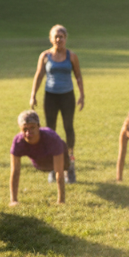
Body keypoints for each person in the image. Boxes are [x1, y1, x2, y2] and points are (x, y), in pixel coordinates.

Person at [29, 24, 85, 182]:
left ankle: (70, 163)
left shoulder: (71, 56)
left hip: (67, 96)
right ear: (51, 38)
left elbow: (78, 76)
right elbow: (39, 76)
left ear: (66, 38)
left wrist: (82, 95)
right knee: (50, 130)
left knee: (68, 128)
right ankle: (53, 165)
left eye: (62, 36)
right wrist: (33, 95)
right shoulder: (45, 56)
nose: (59, 39)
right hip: (51, 96)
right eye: (56, 36)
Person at [10, 110, 66, 205]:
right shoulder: (18, 142)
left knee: (62, 168)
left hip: (58, 156)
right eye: (25, 129)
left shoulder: (52, 138)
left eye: (32, 128)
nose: (28, 133)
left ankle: (70, 167)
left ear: (39, 127)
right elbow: (15, 171)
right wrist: (13, 200)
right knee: (43, 167)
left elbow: (59, 172)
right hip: (39, 162)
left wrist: (61, 201)